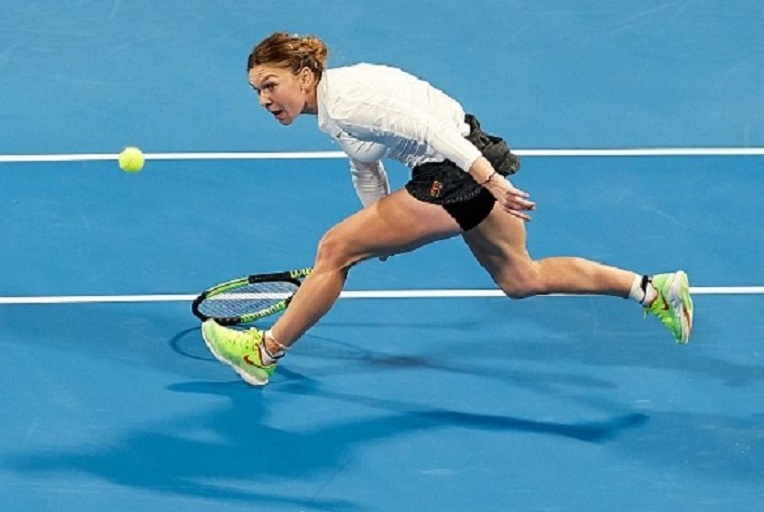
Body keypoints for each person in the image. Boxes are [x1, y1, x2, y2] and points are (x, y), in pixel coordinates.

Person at [200, 32, 694, 386]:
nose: (264, 99)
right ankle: (652, 290)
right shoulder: (332, 110)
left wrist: (492, 182)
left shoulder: (347, 102)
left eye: (271, 85)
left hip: (458, 170)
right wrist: (381, 233)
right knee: (522, 278)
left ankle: (264, 353)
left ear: (304, 76)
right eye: (257, 91)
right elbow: (366, 168)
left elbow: (433, 133)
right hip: (469, 156)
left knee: (334, 249)